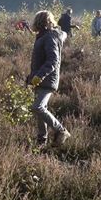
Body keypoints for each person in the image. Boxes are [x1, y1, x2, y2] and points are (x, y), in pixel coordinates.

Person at [26, 10, 71, 147]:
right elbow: (39, 61)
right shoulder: (43, 36)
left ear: (40, 22)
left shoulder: (50, 37)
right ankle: (41, 141)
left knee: (37, 107)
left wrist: (39, 76)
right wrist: (31, 78)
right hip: (40, 78)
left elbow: (53, 61)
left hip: (47, 79)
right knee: (41, 109)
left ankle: (61, 130)